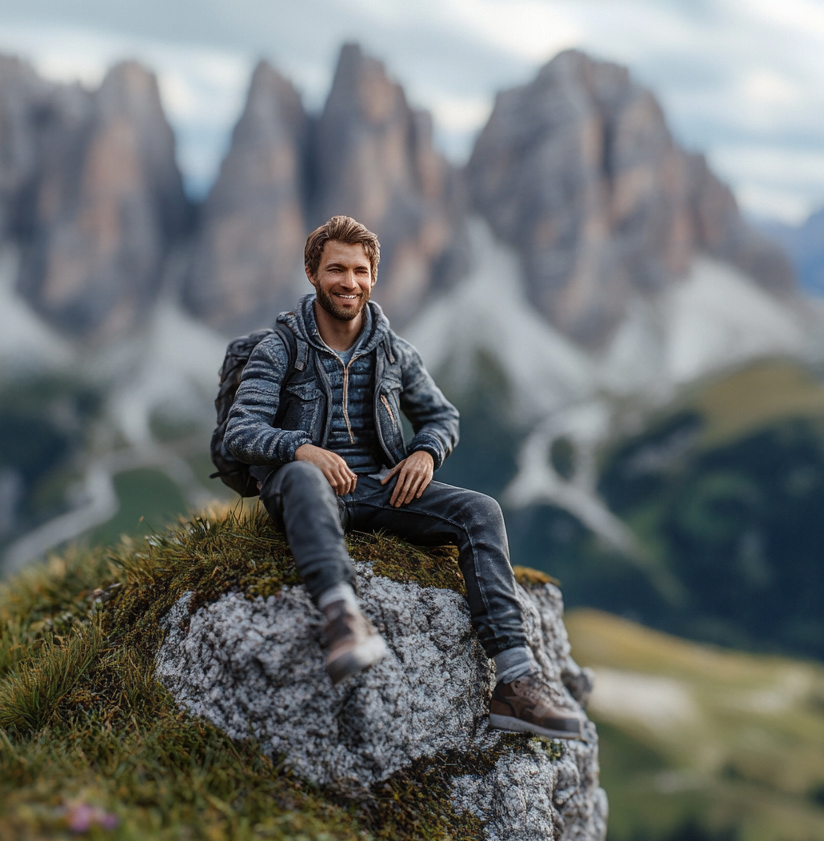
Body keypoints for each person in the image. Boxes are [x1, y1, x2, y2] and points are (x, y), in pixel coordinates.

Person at [224, 215, 582, 739]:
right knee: (302, 480)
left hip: (378, 487)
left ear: (373, 278)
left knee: (481, 511)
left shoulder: (392, 349)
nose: (349, 282)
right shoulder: (280, 348)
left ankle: (516, 684)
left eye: (360, 271)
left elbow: (442, 416)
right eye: (336, 269)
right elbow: (241, 428)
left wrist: (426, 454)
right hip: (302, 486)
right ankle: (343, 620)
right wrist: (301, 449)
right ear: (311, 273)